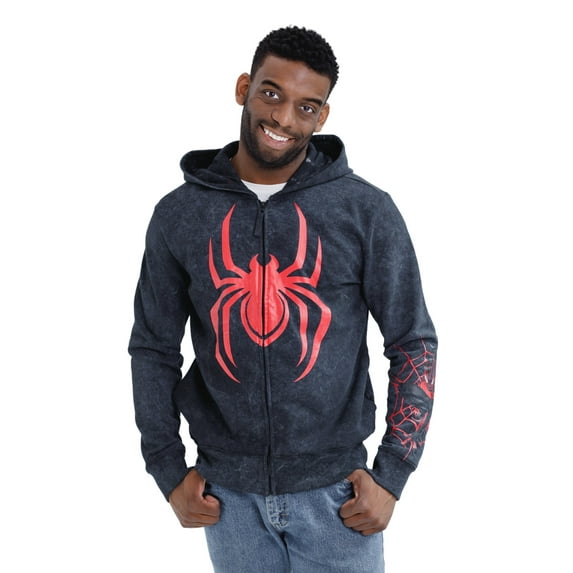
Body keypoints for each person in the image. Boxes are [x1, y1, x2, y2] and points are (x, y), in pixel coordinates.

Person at [129, 26, 437, 573]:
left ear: (323, 116)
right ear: (243, 88)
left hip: (339, 498)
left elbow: (412, 340)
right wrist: (167, 468)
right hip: (227, 500)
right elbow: (153, 347)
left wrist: (393, 473)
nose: (284, 118)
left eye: (306, 106)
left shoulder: (365, 211)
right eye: (271, 93)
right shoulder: (180, 214)